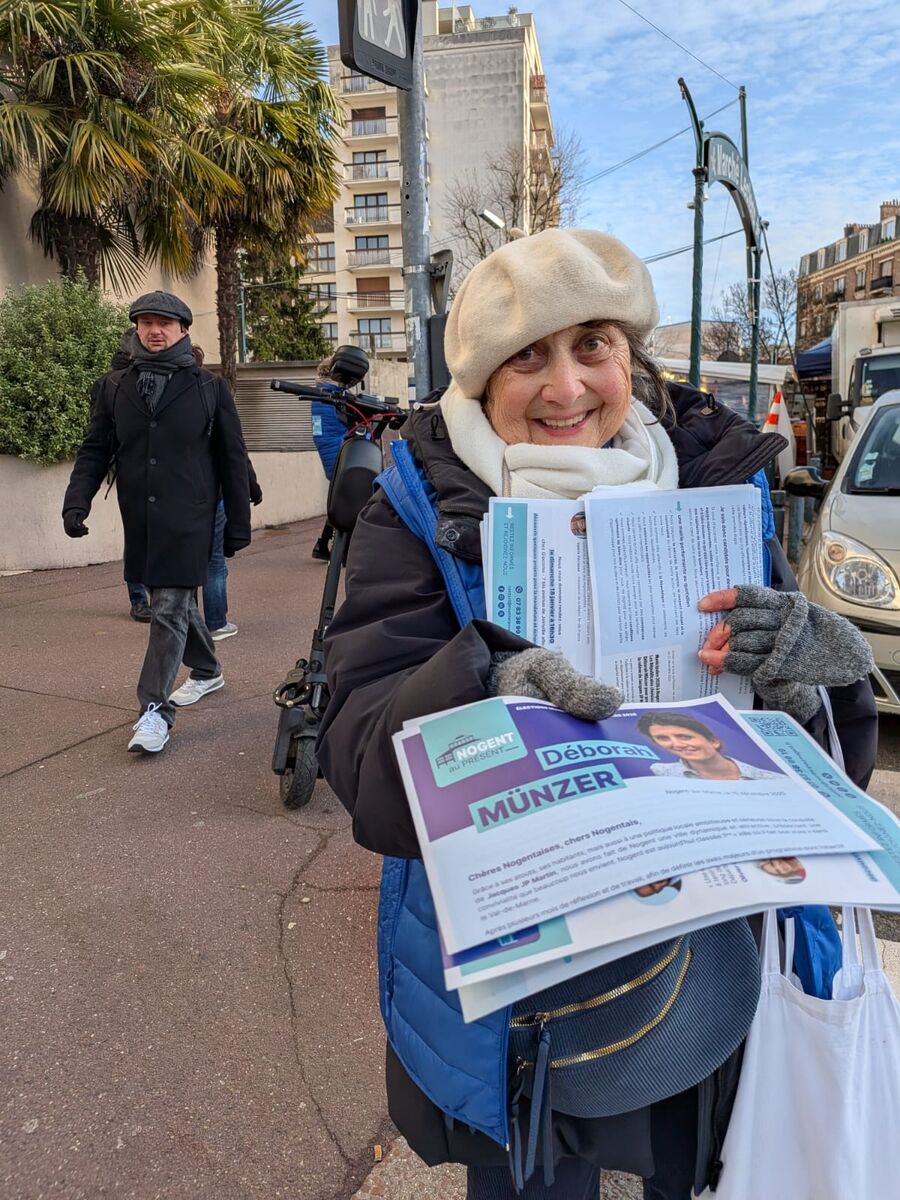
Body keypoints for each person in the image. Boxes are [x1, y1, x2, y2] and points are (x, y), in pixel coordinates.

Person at [316, 229, 877, 1199]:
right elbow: (358, 754)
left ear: (630, 357)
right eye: (527, 356)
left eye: (592, 347)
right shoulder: (415, 507)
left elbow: (828, 773)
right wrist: (483, 687)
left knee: (700, 1170)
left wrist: (808, 682)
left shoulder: (715, 483)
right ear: (480, 377)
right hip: (527, 1003)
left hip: (715, 963)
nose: (566, 387)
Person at [62, 291, 251, 754]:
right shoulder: (114, 386)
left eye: (165, 323)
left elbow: (232, 457)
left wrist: (238, 524)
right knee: (176, 604)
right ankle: (208, 669)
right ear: (136, 328)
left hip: (191, 516)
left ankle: (154, 712)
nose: (155, 330)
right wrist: (76, 501)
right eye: (146, 322)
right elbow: (95, 449)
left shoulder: (209, 388)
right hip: (142, 518)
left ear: (183, 329)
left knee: (167, 606)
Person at [125, 344, 263, 641]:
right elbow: (237, 455)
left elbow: (235, 453)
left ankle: (194, 627)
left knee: (185, 571)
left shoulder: (195, 397)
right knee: (212, 564)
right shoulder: (208, 395)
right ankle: (214, 623)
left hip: (189, 503)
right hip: (210, 501)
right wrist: (251, 488)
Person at [636, 711, 782, 781]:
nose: (677, 744)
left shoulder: (773, 779)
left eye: (685, 736)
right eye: (663, 738)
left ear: (714, 741)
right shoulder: (658, 773)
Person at [310, 355, 347, 561]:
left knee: (339, 497)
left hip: (327, 446)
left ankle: (323, 543)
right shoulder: (332, 394)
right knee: (344, 499)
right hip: (338, 445)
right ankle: (337, 547)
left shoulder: (319, 393)